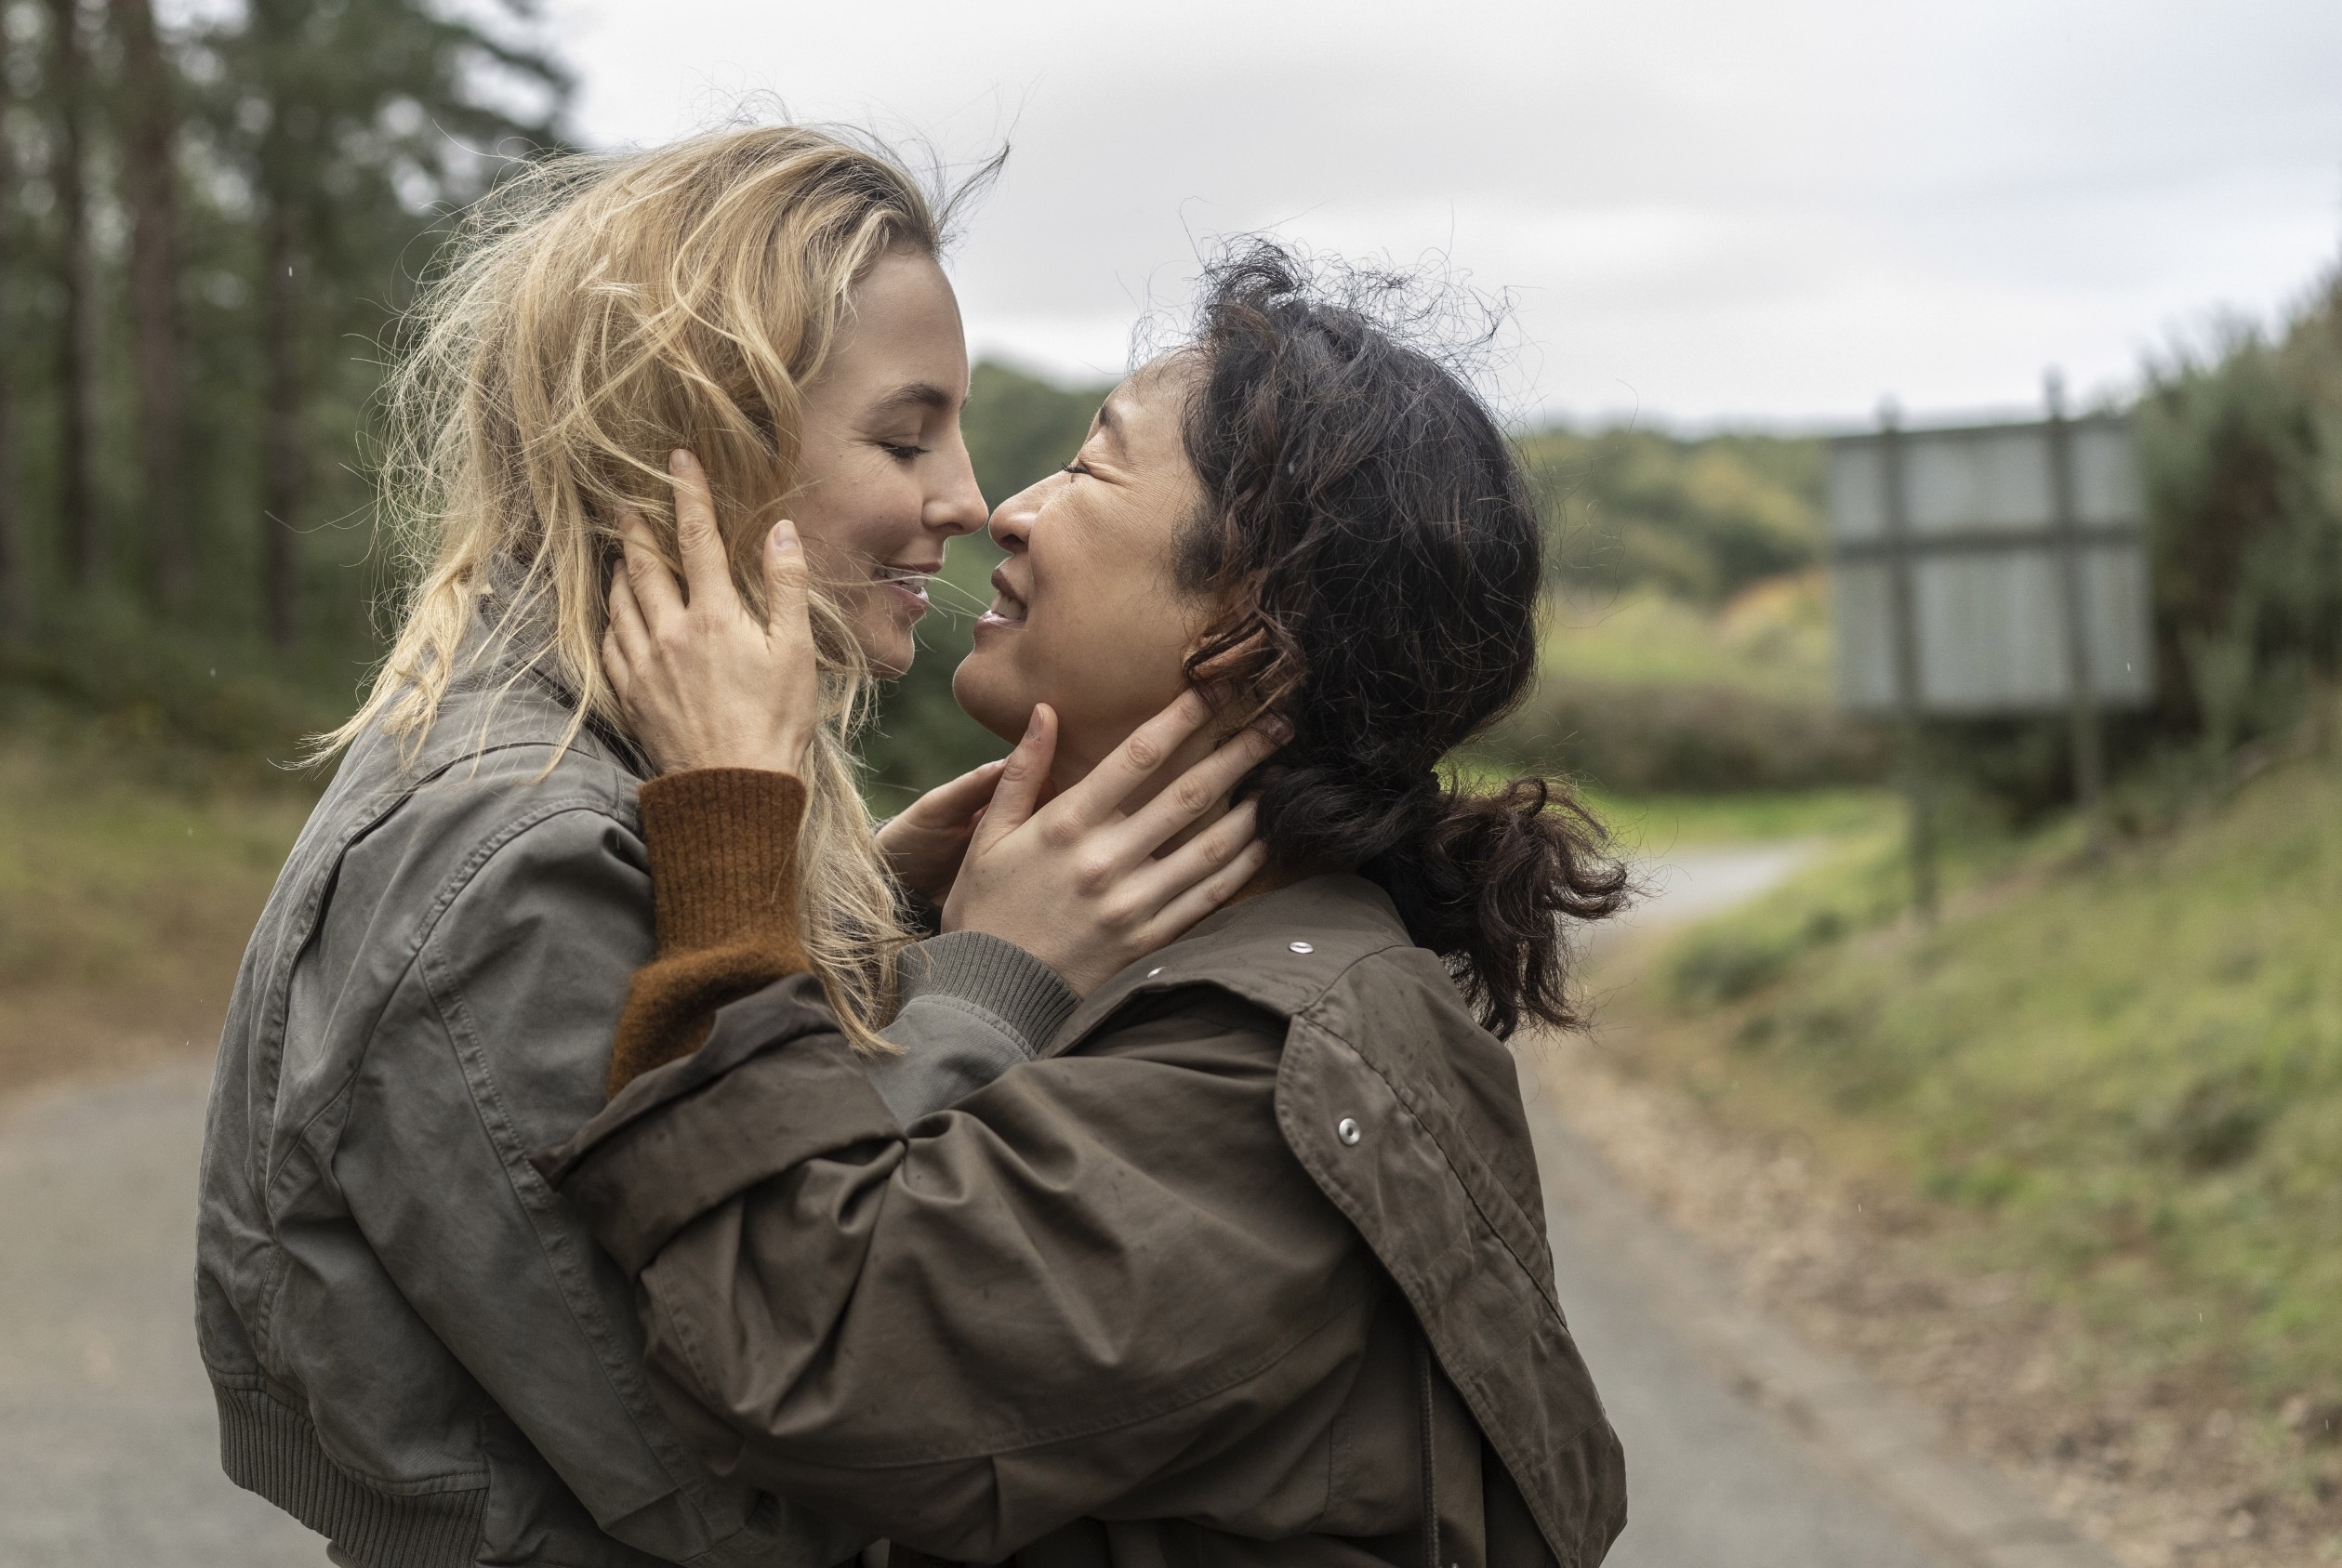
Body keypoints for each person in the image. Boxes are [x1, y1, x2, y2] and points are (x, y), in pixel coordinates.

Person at [193, 127, 1274, 1568]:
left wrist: (853, 904)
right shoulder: (521, 862)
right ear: (694, 452)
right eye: (903, 436)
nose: (967, 496)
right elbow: (770, 1485)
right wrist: (989, 984)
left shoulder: (587, 794)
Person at [536, 244, 1634, 1568]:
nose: (1007, 509)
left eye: (1095, 467)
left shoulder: (1272, 1070)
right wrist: (884, 912)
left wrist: (735, 821)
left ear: (1250, 620)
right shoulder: (1198, 967)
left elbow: (791, 1345)